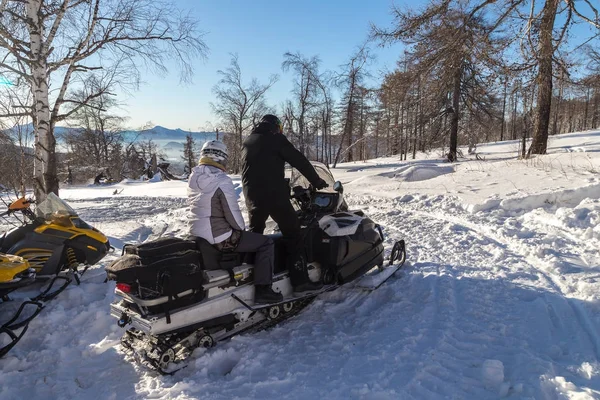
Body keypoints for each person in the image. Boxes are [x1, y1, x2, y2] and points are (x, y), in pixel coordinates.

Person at [188, 140, 283, 304]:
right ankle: (263, 290)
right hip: (219, 237)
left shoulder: (194, 176)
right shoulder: (221, 180)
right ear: (222, 158)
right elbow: (235, 219)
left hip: (196, 233)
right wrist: (244, 231)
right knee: (266, 243)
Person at [241, 114, 328, 293]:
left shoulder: (249, 140)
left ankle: (250, 280)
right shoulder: (275, 139)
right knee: (294, 233)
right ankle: (300, 281)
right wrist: (316, 180)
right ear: (275, 127)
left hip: (252, 196)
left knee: (256, 235)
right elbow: (299, 160)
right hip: (274, 196)